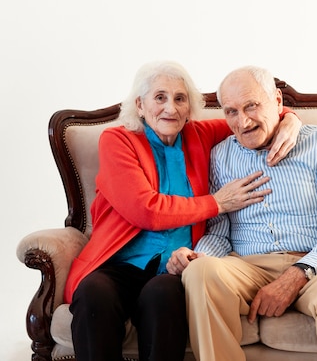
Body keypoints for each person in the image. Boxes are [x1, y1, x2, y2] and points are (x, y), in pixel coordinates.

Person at [64, 60, 301, 361]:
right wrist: (217, 202)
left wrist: (291, 119)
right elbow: (145, 211)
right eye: (160, 97)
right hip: (120, 264)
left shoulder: (199, 135)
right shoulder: (118, 140)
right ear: (140, 105)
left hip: (175, 268)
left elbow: (252, 118)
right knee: (93, 292)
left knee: (163, 296)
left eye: (180, 99)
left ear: (190, 108)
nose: (171, 109)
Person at [168, 65, 317, 361]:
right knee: (200, 271)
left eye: (251, 106)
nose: (243, 121)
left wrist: (296, 274)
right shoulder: (221, 155)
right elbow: (218, 231)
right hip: (246, 266)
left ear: (277, 101)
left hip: (316, 266)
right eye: (231, 112)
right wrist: (199, 256)